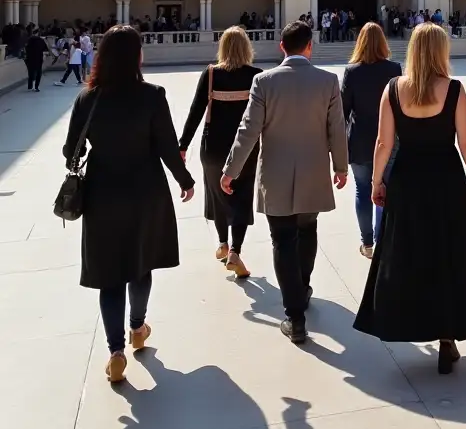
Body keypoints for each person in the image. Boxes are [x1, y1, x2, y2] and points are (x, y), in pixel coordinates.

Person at [62, 26, 194, 383]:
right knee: (140, 264)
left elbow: (70, 150)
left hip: (103, 194)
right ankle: (138, 327)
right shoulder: (152, 96)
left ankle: (115, 351)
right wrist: (185, 180)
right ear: (136, 56)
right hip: (146, 192)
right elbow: (168, 146)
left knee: (109, 276)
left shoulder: (89, 99)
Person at [354, 23, 466, 373]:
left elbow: (383, 144)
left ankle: (408, 323)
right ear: (442, 51)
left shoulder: (394, 89)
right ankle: (447, 338)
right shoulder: (454, 90)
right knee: (447, 254)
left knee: (409, 254)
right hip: (445, 180)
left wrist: (377, 182)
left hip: (407, 180)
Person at [222, 20, 348, 344]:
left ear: (282, 47)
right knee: (307, 231)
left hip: (275, 175)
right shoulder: (328, 81)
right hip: (313, 173)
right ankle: (302, 289)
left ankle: (294, 316)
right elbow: (336, 128)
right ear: (310, 46)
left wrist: (230, 170)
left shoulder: (263, 81)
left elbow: (247, 130)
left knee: (282, 240)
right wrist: (341, 167)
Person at [179, 26, 262, 279]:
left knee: (217, 196)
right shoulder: (256, 76)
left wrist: (182, 146)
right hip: (244, 149)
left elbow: (195, 112)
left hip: (213, 148)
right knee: (241, 195)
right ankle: (235, 251)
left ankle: (223, 244)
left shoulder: (211, 74)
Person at [340, 23, 402, 257]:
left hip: (359, 141)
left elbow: (343, 111)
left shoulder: (352, 71)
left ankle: (367, 243)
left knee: (363, 190)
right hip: (389, 140)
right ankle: (382, 239)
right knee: (384, 189)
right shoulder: (394, 68)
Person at [23, 26, 49, 91]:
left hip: (30, 59)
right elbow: (46, 50)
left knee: (31, 72)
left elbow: (25, 49)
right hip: (38, 58)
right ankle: (36, 86)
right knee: (38, 73)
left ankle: (30, 86)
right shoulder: (41, 41)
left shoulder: (28, 40)